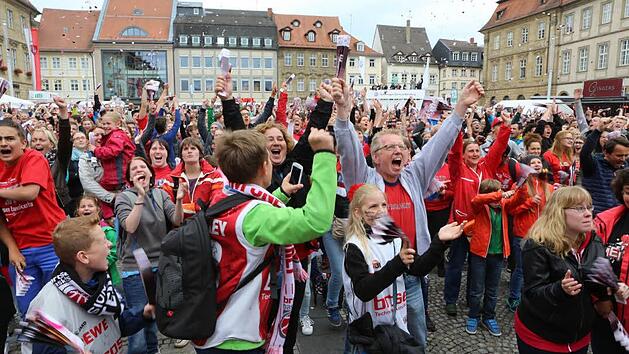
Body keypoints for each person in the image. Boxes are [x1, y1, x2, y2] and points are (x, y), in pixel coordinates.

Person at [334, 77, 485, 348]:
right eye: (390, 147)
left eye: (402, 147)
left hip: (413, 273)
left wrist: (460, 107)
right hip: (374, 275)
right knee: (367, 340)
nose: (398, 151)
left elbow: (437, 146)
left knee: (415, 339)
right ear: (375, 156)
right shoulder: (364, 178)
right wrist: (344, 115)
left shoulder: (414, 175)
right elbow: (348, 151)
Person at [193, 127, 336, 353]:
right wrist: (325, 154)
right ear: (264, 167)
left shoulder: (222, 198)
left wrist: (282, 194)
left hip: (211, 326)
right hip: (238, 337)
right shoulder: (256, 215)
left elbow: (253, 215)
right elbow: (316, 221)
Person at [343, 183, 464, 353]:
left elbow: (418, 268)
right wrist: (397, 264)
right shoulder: (354, 246)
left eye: (384, 205)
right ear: (358, 212)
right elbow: (364, 290)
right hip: (369, 334)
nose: (381, 210)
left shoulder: (394, 238)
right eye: (373, 206)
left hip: (397, 329)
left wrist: (439, 242)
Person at [23, 214, 155, 354]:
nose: (110, 244)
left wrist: (143, 315)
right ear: (83, 257)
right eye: (103, 241)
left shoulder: (101, 283)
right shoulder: (47, 311)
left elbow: (116, 326)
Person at [515, 186, 611, 354]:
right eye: (580, 208)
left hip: (579, 337)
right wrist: (559, 289)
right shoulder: (538, 245)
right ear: (559, 212)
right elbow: (532, 294)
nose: (588, 213)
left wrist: (613, 286)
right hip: (542, 338)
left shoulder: (594, 240)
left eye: (589, 207)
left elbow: (596, 279)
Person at [115, 157, 184, 354]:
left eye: (142, 167)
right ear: (129, 177)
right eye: (134, 168)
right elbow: (130, 226)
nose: (139, 170)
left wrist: (178, 200)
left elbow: (176, 220)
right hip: (137, 266)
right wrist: (140, 196)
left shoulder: (161, 195)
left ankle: (153, 350)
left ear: (150, 173)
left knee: (153, 315)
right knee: (138, 324)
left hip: (161, 264)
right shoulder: (123, 198)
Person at [0, 119, 67, 317]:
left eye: (10, 138)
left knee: (61, 307)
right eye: (0, 139)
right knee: (29, 311)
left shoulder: (34, 158)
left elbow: (30, 192)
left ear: (23, 143)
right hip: (22, 252)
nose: (4, 143)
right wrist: (12, 249)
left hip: (52, 244)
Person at [464, 179, 526, 337]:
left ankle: (489, 317)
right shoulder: (481, 207)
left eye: (500, 195)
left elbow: (520, 199)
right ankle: (473, 316)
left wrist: (523, 185)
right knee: (476, 289)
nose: (500, 200)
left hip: (497, 256)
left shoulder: (504, 206)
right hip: (480, 254)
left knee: (492, 290)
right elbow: (476, 199)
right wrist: (499, 194)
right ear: (490, 196)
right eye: (495, 196)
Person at [505, 155, 554, 312]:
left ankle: (530, 296)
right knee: (520, 269)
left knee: (538, 268)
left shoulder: (549, 186)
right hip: (523, 233)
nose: (537, 164)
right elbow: (510, 209)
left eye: (539, 162)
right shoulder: (520, 186)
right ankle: (514, 298)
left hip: (542, 234)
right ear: (526, 167)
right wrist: (528, 203)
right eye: (533, 163)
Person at [592, 168, 629, 353]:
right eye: (628, 190)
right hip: (607, 312)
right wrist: (601, 297)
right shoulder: (606, 220)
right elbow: (592, 261)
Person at [581, 118, 629, 214]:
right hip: (596, 217)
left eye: (626, 155)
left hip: (619, 218)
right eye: (619, 156)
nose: (623, 159)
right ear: (606, 153)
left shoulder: (626, 168)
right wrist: (598, 130)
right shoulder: (593, 164)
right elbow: (585, 153)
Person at [93, 111, 135, 220]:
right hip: (115, 174)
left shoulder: (117, 135)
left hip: (117, 175)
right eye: (104, 124)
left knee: (101, 193)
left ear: (117, 124)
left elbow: (112, 151)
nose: (105, 126)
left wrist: (96, 150)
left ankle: (110, 217)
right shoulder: (113, 135)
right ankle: (111, 217)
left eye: (108, 124)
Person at [75, 195, 120, 286]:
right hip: (85, 279)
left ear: (98, 209)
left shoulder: (108, 231)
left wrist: (95, 265)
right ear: (78, 211)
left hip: (109, 279)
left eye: (90, 206)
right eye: (83, 206)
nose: (86, 209)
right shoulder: (75, 232)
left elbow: (114, 252)